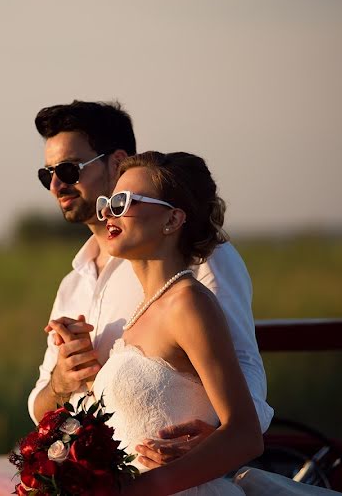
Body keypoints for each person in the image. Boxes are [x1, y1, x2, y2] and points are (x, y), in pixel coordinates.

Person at [27, 101, 274, 469]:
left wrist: (221, 436)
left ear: (116, 161)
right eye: (46, 175)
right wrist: (62, 382)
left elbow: (241, 362)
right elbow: (39, 404)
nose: (57, 184)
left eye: (68, 169)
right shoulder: (72, 284)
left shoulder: (200, 259)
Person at [89, 151, 262, 494]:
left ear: (172, 220)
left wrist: (138, 489)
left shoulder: (188, 303)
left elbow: (245, 435)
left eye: (124, 201)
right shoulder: (143, 311)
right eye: (108, 201)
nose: (108, 210)